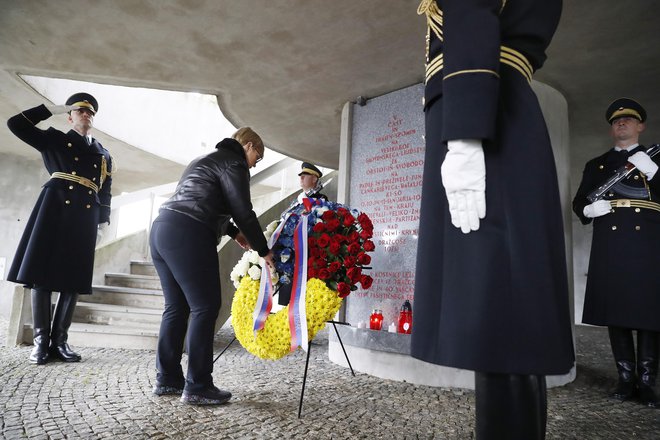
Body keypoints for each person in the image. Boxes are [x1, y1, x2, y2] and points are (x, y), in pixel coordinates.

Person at [412, 1, 575, 438]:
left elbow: (472, 16)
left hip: (484, 111)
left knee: (505, 311)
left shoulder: (477, 97)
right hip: (486, 107)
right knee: (501, 313)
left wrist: (465, 133)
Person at [150, 127, 274, 405]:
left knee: (176, 307)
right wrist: (264, 250)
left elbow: (203, 198)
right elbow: (243, 209)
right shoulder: (235, 163)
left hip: (162, 229)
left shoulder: (202, 160)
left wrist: (231, 232)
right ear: (249, 146)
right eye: (258, 157)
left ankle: (168, 379)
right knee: (205, 307)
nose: (255, 164)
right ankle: (198, 385)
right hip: (189, 234)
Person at [6, 93, 113, 365]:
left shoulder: (103, 153)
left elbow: (106, 190)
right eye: (79, 111)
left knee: (73, 279)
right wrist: (48, 109)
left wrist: (102, 221)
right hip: (54, 208)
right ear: (70, 116)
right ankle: (41, 342)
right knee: (42, 275)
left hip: (84, 215)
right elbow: (16, 124)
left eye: (89, 112)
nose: (85, 114)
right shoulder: (53, 138)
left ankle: (60, 341)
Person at [573, 98, 659, 408]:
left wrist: (655, 173)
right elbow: (579, 201)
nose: (620, 123)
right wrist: (588, 209)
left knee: (650, 313)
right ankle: (625, 379)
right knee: (617, 312)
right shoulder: (597, 165)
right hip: (612, 242)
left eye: (628, 119)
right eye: (616, 121)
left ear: (641, 126)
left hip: (649, 241)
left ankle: (648, 382)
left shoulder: (656, 159)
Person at [277, 161, 327, 305]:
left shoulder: (321, 200)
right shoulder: (296, 201)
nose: (301, 178)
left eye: (305, 175)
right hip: (289, 254)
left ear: (315, 179)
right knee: (286, 303)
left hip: (306, 254)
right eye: (300, 175)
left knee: (302, 304)